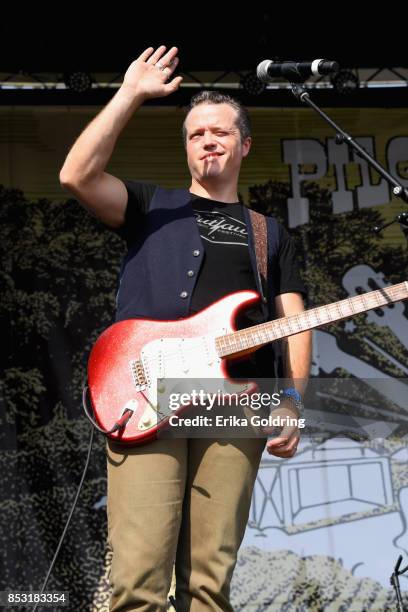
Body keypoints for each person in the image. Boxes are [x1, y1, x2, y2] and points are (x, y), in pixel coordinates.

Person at [60, 45, 312, 612]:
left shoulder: (271, 234)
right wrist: (130, 94)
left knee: (208, 585)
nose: (208, 142)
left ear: (244, 144)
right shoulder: (152, 206)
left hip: (238, 405)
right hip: (146, 395)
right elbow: (76, 175)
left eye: (220, 132)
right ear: (187, 149)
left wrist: (292, 400)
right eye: (196, 134)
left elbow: (294, 321)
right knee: (136, 584)